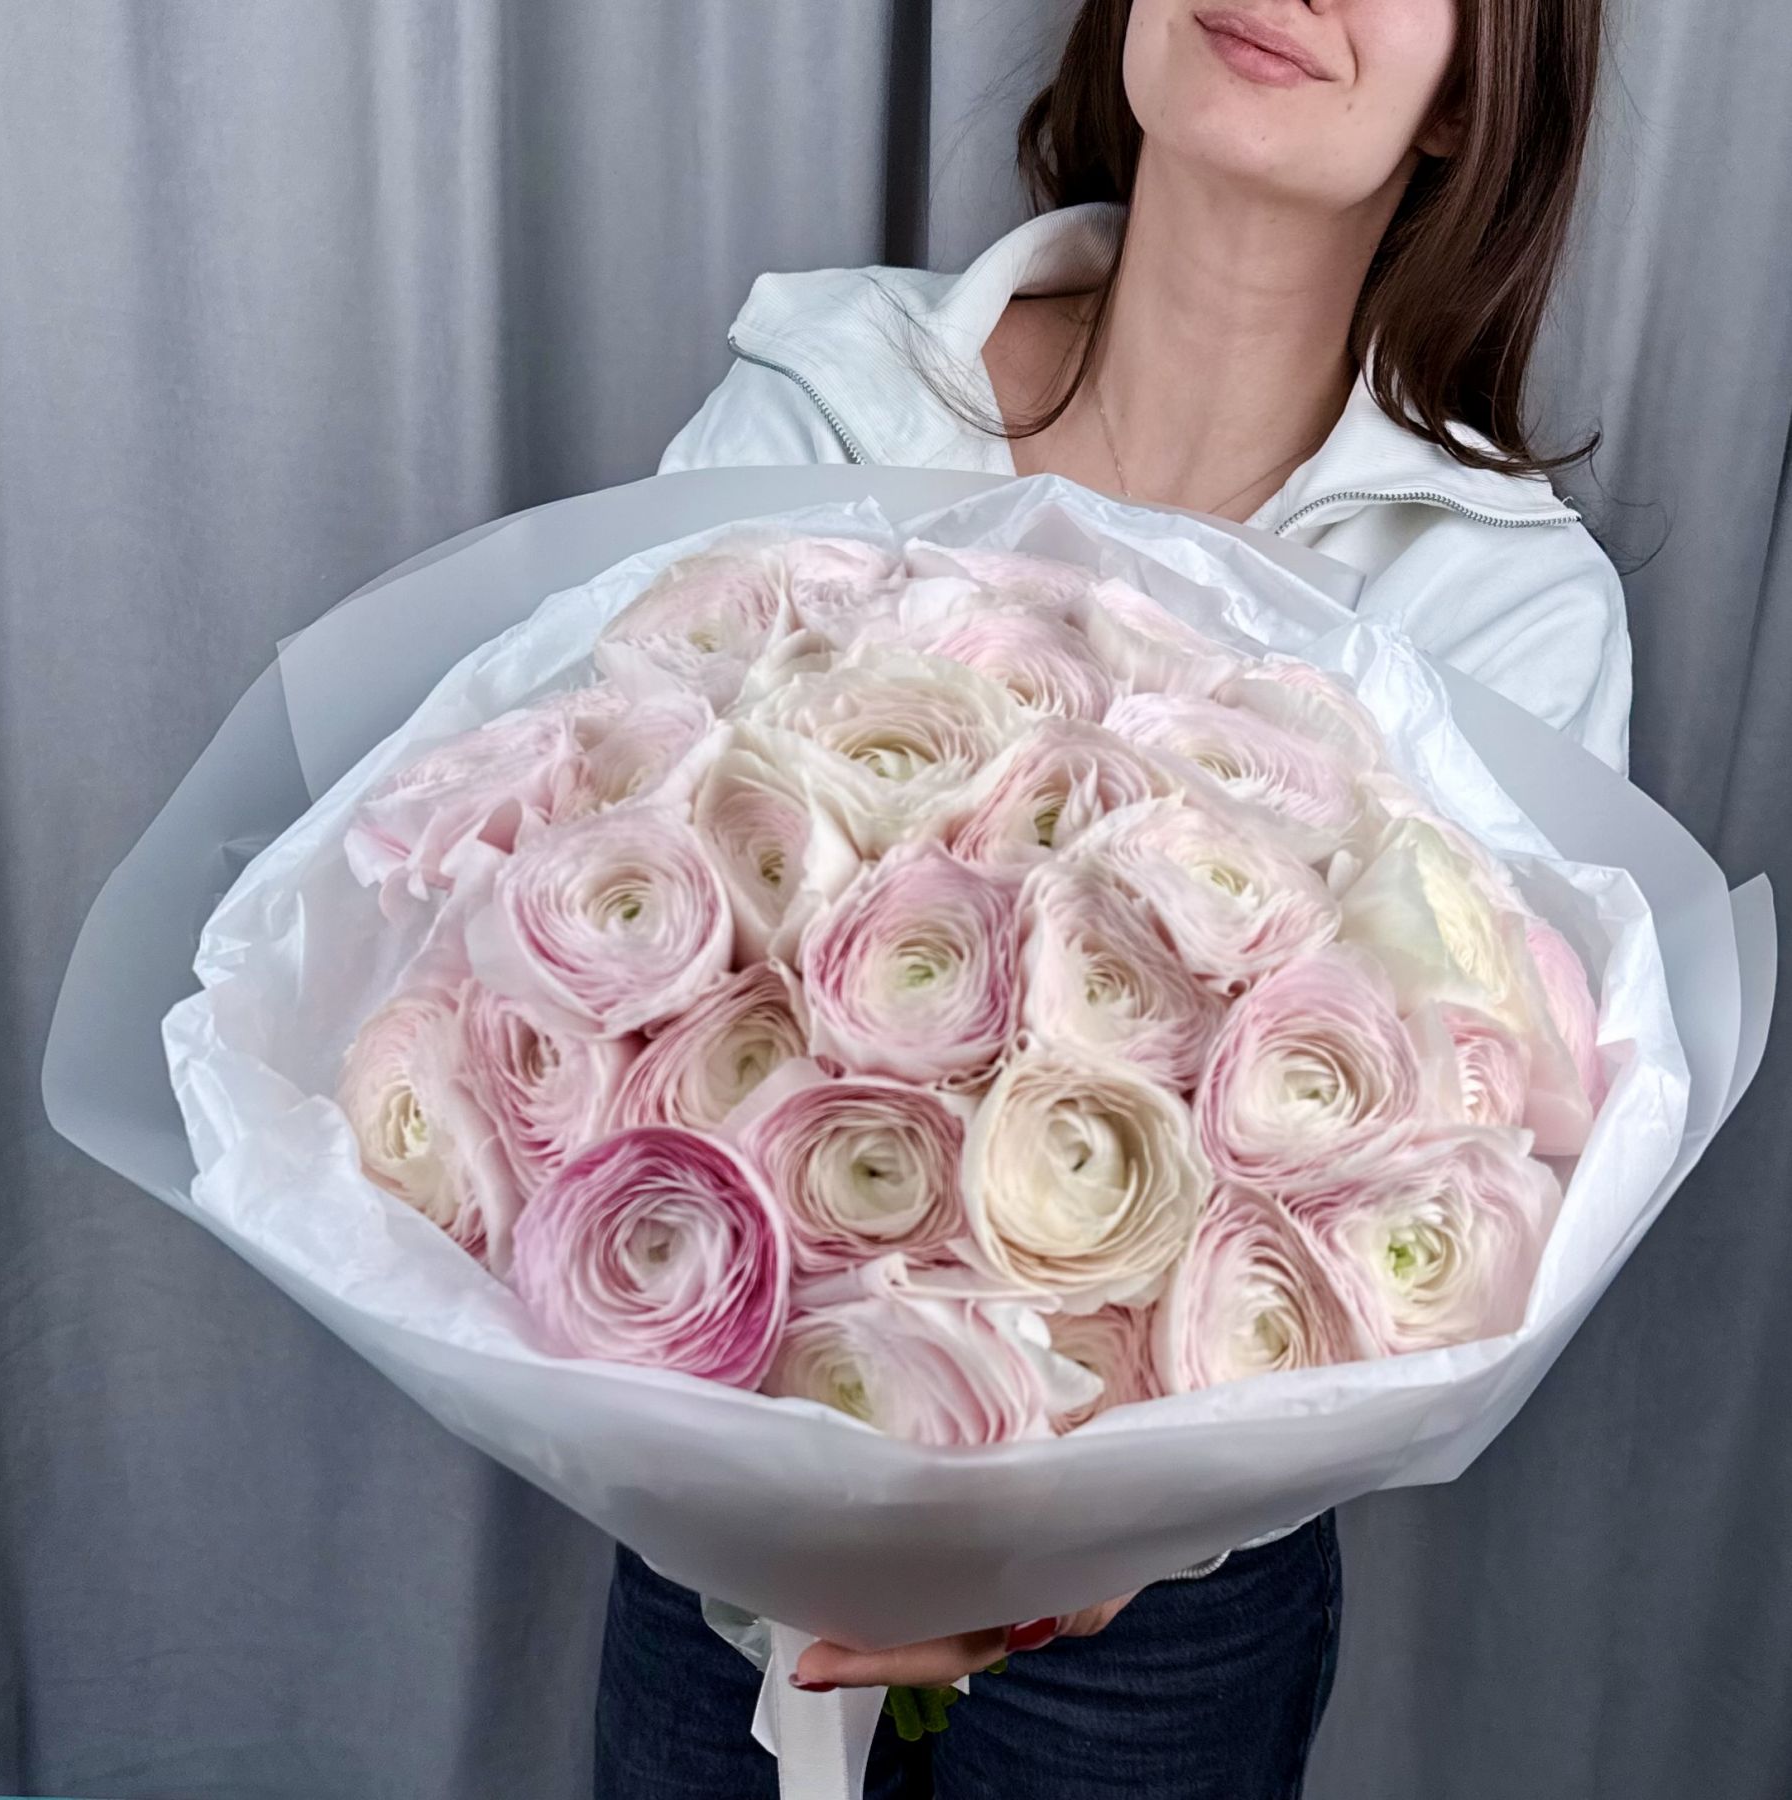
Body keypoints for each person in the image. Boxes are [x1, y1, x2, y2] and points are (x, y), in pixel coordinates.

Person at [598, 2, 1632, 1795]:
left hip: (1156, 1622)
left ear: (1473, 91)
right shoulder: (833, 396)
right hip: (726, 1524)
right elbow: (597, 886)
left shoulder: (1499, 601)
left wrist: (1090, 1538)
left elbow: (1477, 1165)